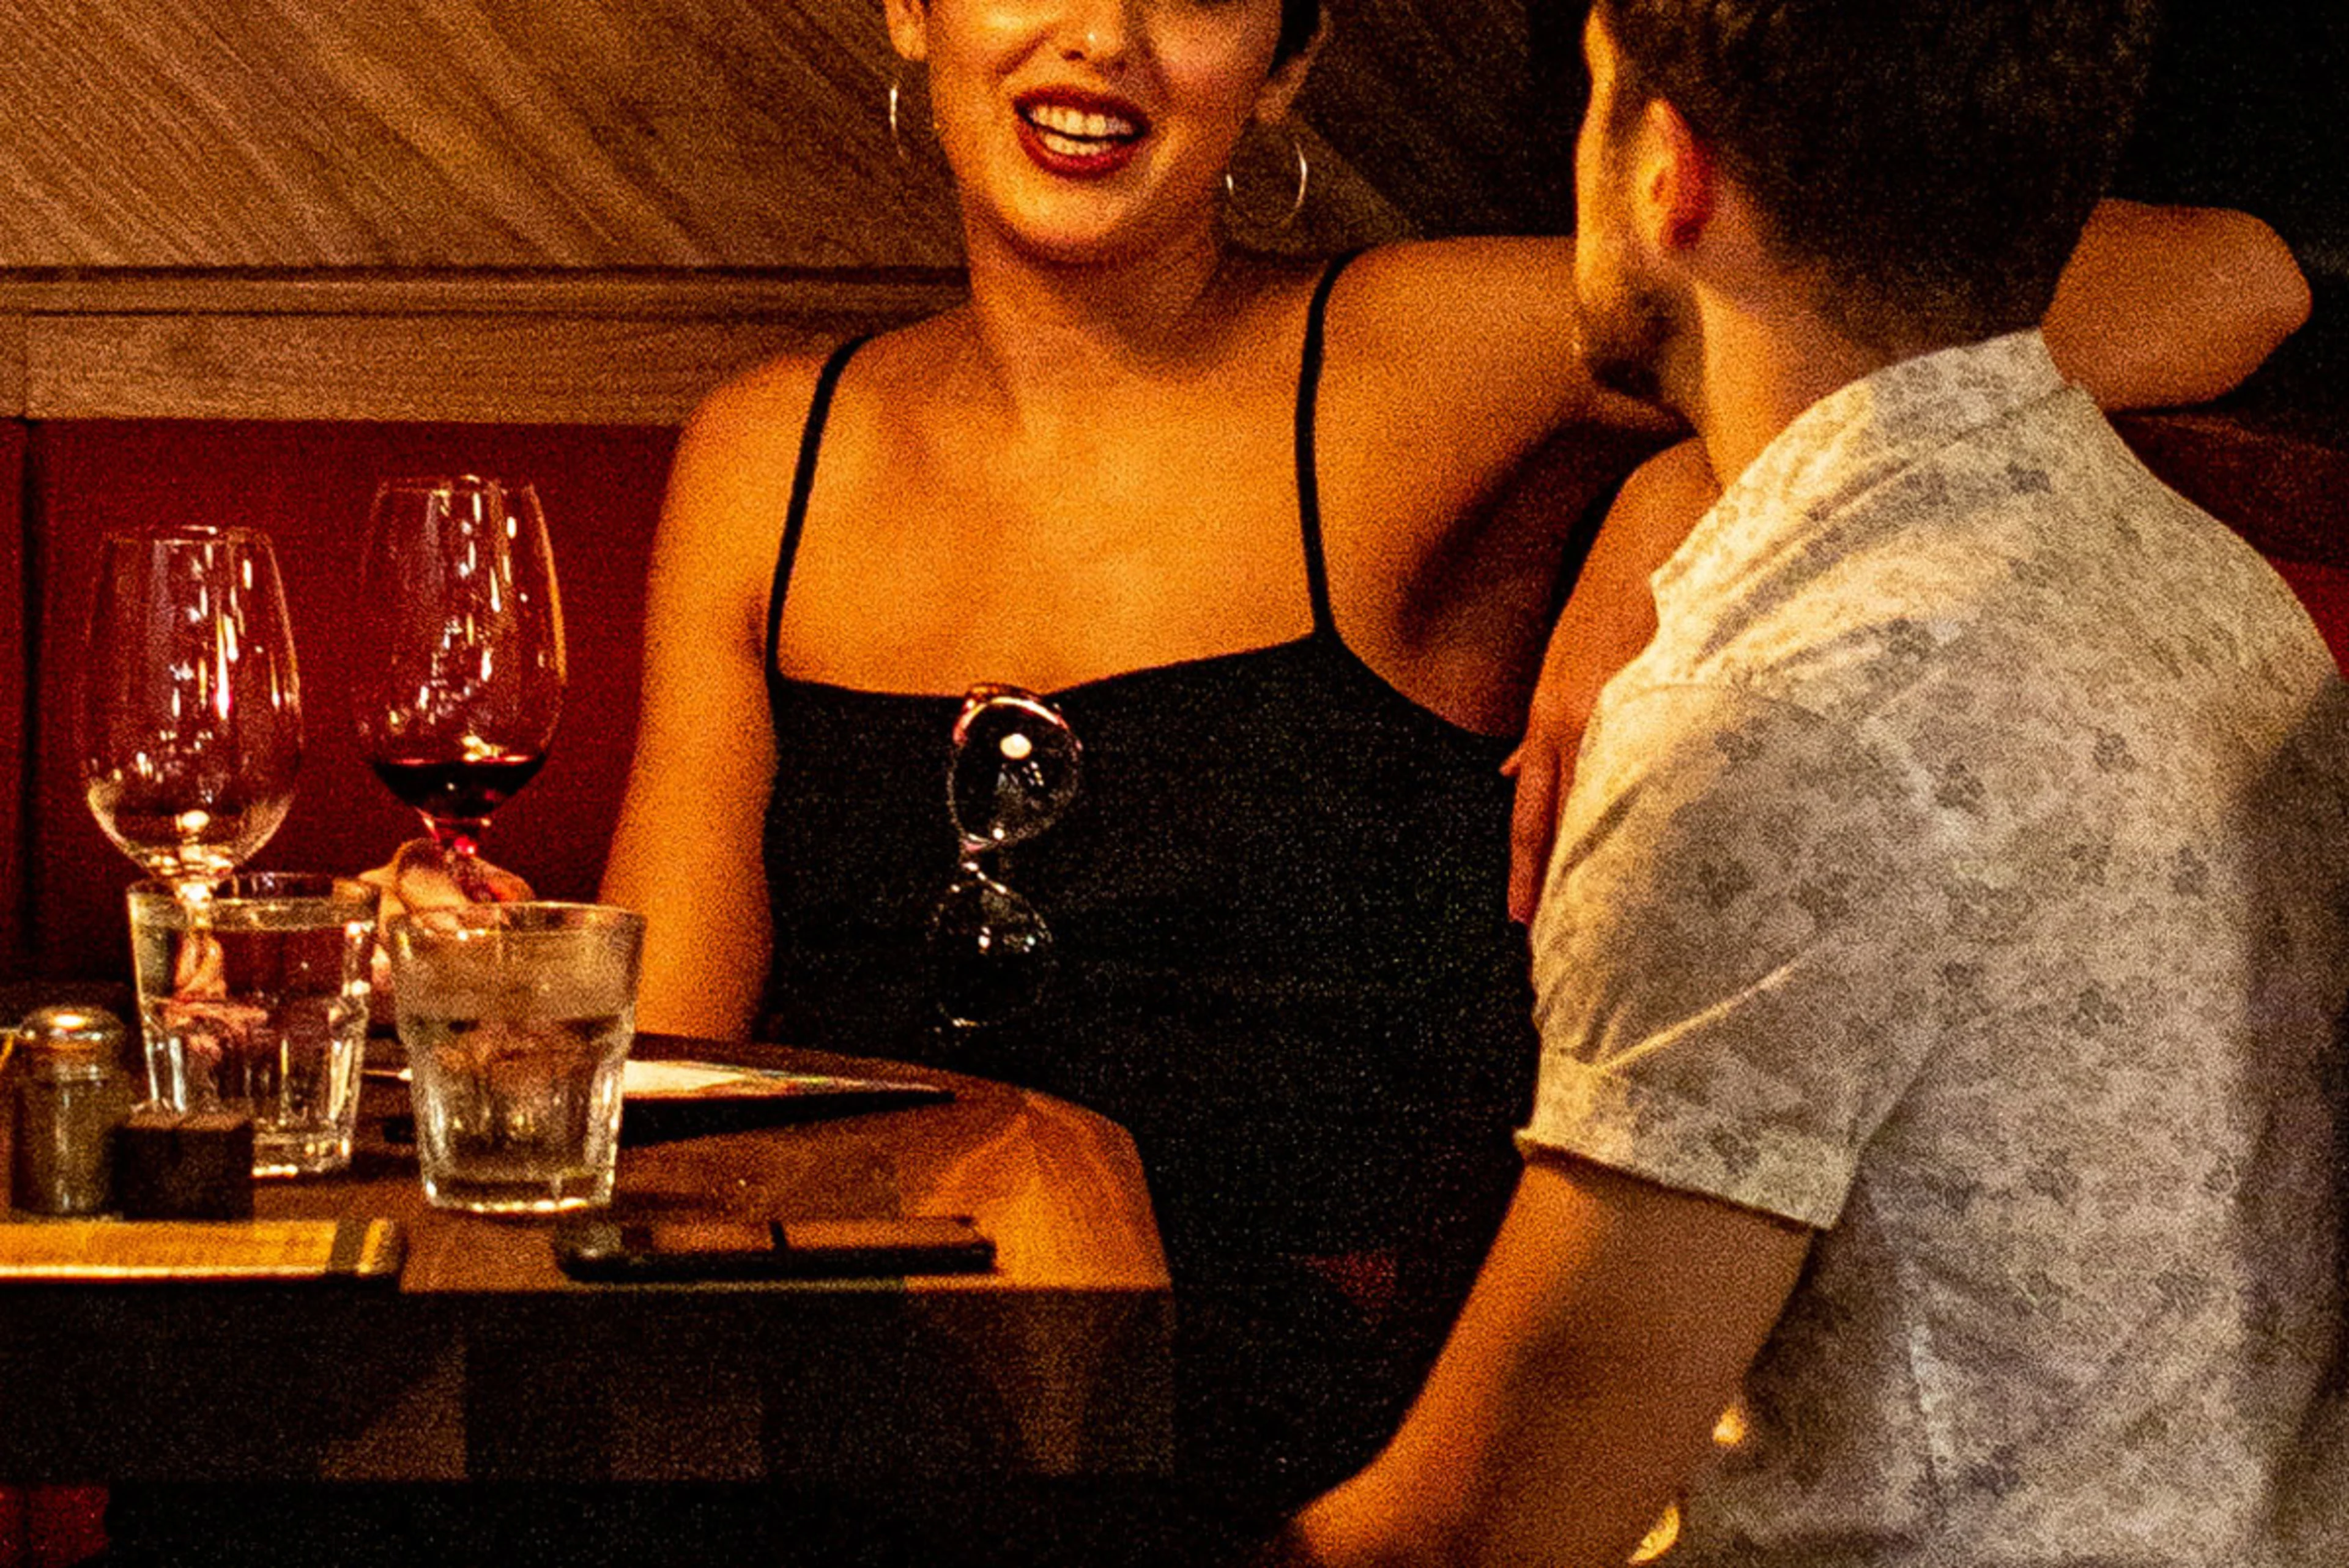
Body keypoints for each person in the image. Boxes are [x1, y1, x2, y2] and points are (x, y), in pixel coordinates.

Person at [596, 0, 2310, 1538]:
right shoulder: (771, 453)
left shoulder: (1415, 357)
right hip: (831, 1407)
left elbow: (2215, 277)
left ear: (1286, 68)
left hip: (1293, 1451)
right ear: (913, 11)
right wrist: (477, 1003)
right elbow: (658, 1063)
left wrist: (1708, 495)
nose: (1100, 39)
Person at [1277, 2, 2348, 1564]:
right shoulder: (2206, 589)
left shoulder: (1775, 717)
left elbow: (1488, 1531)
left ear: (1669, 171)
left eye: (1594, 104)